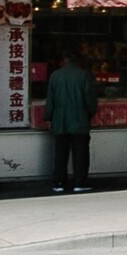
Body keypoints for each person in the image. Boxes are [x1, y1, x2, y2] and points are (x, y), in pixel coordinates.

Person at [45, 53, 99, 193]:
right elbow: (90, 101)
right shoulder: (85, 75)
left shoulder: (55, 76)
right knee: (80, 153)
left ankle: (59, 183)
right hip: (79, 120)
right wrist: (89, 114)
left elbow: (50, 100)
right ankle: (80, 182)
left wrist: (48, 117)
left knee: (60, 153)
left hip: (60, 121)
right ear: (78, 62)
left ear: (64, 60)